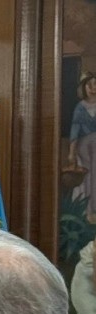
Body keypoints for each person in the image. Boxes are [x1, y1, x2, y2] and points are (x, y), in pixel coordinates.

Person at [68, 71, 96, 223]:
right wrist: (72, 152)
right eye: (89, 85)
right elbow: (75, 129)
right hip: (85, 147)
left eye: (95, 84)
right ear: (83, 87)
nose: (93, 88)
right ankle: (88, 211)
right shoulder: (80, 107)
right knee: (88, 176)